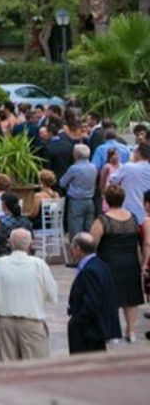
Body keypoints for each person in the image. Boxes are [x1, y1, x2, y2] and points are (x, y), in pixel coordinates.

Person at [0, 228, 57, 361]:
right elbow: (52, 295)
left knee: (9, 368)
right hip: (32, 322)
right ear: (30, 243)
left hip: (5, 323)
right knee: (35, 367)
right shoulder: (39, 265)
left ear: (10, 243)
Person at [90, 183, 145, 342]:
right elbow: (138, 242)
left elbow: (92, 243)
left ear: (107, 200)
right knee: (131, 298)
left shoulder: (103, 220)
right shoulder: (133, 218)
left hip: (109, 262)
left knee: (110, 298)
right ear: (123, 199)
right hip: (130, 262)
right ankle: (131, 331)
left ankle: (112, 332)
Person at [67, 232, 122, 353]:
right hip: (96, 328)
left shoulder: (90, 270)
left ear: (78, 249)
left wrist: (76, 321)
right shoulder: (99, 264)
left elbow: (92, 303)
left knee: (84, 361)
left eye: (72, 247)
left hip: (89, 330)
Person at [60, 143, 99, 245]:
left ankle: (76, 249)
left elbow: (62, 182)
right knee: (88, 228)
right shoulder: (93, 167)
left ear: (77, 155)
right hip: (90, 200)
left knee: (75, 230)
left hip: (76, 201)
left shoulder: (74, 168)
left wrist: (69, 187)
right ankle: (88, 248)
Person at [111, 143, 150, 223]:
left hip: (129, 212)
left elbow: (113, 179)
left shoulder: (128, 167)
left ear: (137, 153)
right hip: (146, 213)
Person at [0, 192, 31, 259]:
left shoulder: (1, 221)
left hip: (4, 253)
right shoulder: (25, 220)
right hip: (24, 251)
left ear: (4, 205)